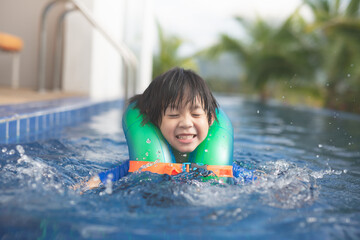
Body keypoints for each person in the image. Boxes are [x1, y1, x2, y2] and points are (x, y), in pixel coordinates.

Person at [76, 67, 234, 191]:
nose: (186, 123)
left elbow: (252, 181)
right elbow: (103, 178)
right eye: (173, 115)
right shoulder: (143, 164)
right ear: (156, 121)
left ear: (210, 119)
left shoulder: (221, 165)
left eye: (195, 114)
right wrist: (86, 186)